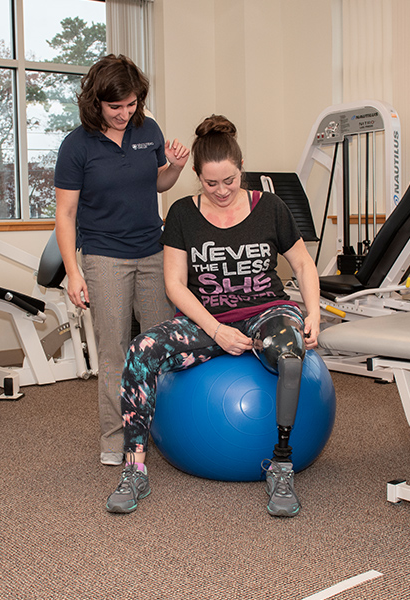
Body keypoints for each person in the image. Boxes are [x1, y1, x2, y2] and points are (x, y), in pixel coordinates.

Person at [105, 115, 322, 518]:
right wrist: (216, 329)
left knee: (290, 354)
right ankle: (134, 469)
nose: (222, 191)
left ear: (242, 171)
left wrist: (314, 313)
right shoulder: (183, 213)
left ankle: (282, 466)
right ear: (196, 176)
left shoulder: (270, 207)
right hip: (208, 319)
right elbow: (175, 285)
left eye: (230, 181)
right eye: (211, 183)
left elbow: (304, 266)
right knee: (140, 351)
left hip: (266, 312)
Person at [54, 55, 190, 467]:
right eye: (116, 107)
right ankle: (116, 441)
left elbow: (159, 181)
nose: (124, 114)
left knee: (161, 347)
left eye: (131, 105)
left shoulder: (148, 130)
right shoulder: (76, 145)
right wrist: (73, 271)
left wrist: (178, 166)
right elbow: (65, 214)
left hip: (153, 251)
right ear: (96, 102)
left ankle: (166, 434)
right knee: (114, 353)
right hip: (104, 257)